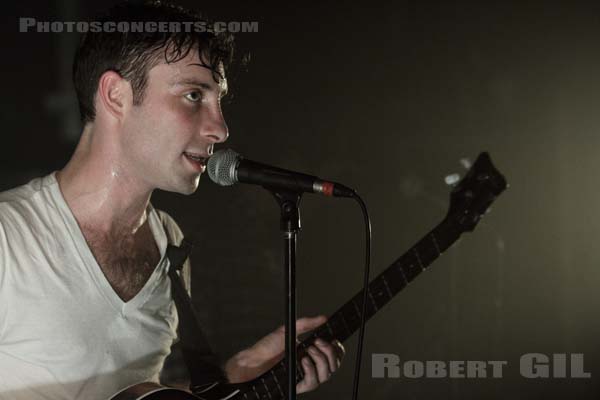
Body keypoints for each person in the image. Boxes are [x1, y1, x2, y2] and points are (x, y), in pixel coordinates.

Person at [0, 1, 344, 399]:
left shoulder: (169, 243)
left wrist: (238, 375)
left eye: (219, 101)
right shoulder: (10, 238)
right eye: (194, 95)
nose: (220, 129)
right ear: (115, 95)